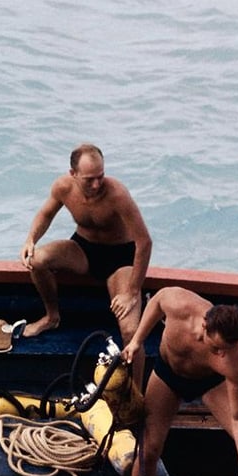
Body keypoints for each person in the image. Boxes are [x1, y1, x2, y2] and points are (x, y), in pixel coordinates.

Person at [120, 286, 238, 476]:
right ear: (204, 326)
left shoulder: (234, 359)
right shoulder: (180, 305)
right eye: (217, 348)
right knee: (149, 450)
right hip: (168, 376)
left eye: (227, 349)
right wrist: (137, 341)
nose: (222, 355)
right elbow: (157, 301)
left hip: (210, 383)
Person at [18, 144, 152, 362]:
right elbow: (46, 214)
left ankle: (135, 394)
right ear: (73, 174)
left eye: (101, 176)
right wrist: (30, 239)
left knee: (130, 331)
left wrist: (132, 292)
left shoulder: (117, 194)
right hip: (84, 249)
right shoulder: (63, 187)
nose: (97, 184)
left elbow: (144, 242)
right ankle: (52, 316)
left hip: (120, 259)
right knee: (36, 259)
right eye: (89, 179)